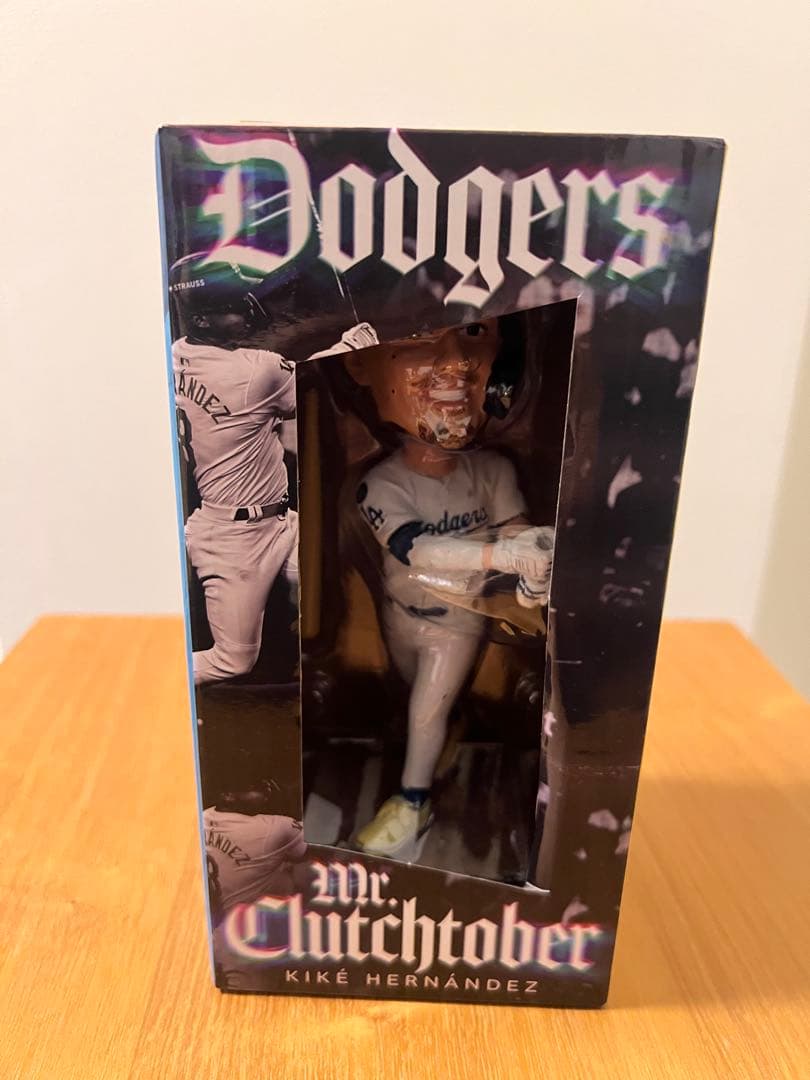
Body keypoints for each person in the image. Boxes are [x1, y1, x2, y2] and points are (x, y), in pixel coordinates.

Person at [340, 318, 554, 858]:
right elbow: (416, 551)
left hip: (458, 624)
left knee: (425, 711)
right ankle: (450, 732)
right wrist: (502, 555)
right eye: (418, 337)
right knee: (417, 698)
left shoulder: (493, 469)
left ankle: (412, 803)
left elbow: (515, 530)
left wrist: (534, 561)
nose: (454, 361)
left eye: (475, 332)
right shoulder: (382, 482)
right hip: (399, 615)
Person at [169, 257, 298, 685]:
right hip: (233, 539)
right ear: (202, 319)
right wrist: (353, 346)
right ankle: (142, 678)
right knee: (233, 661)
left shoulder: (174, 355)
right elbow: (313, 386)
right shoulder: (253, 369)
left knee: (330, 575)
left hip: (282, 522)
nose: (247, 312)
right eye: (234, 306)